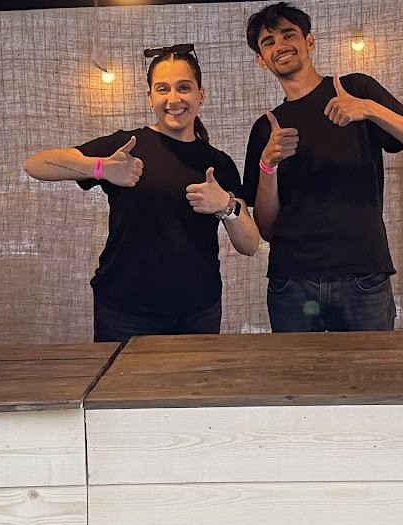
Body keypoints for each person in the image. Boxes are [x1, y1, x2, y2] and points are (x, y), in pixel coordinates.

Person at [24, 44, 259, 342]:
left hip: (199, 312)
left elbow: (250, 244)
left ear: (201, 94)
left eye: (183, 87)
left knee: (193, 391)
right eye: (162, 89)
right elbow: (35, 164)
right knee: (122, 390)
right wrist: (101, 168)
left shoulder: (219, 163)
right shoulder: (126, 148)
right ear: (150, 97)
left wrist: (226, 205)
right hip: (125, 314)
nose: (173, 99)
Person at [242, 3, 403, 332]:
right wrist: (267, 165)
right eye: (268, 42)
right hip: (292, 283)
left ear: (309, 41)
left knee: (371, 380)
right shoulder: (266, 128)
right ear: (260, 59)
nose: (279, 45)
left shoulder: (356, 91)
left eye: (288, 35)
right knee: (298, 381)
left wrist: (370, 109)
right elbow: (267, 228)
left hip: (362, 278)